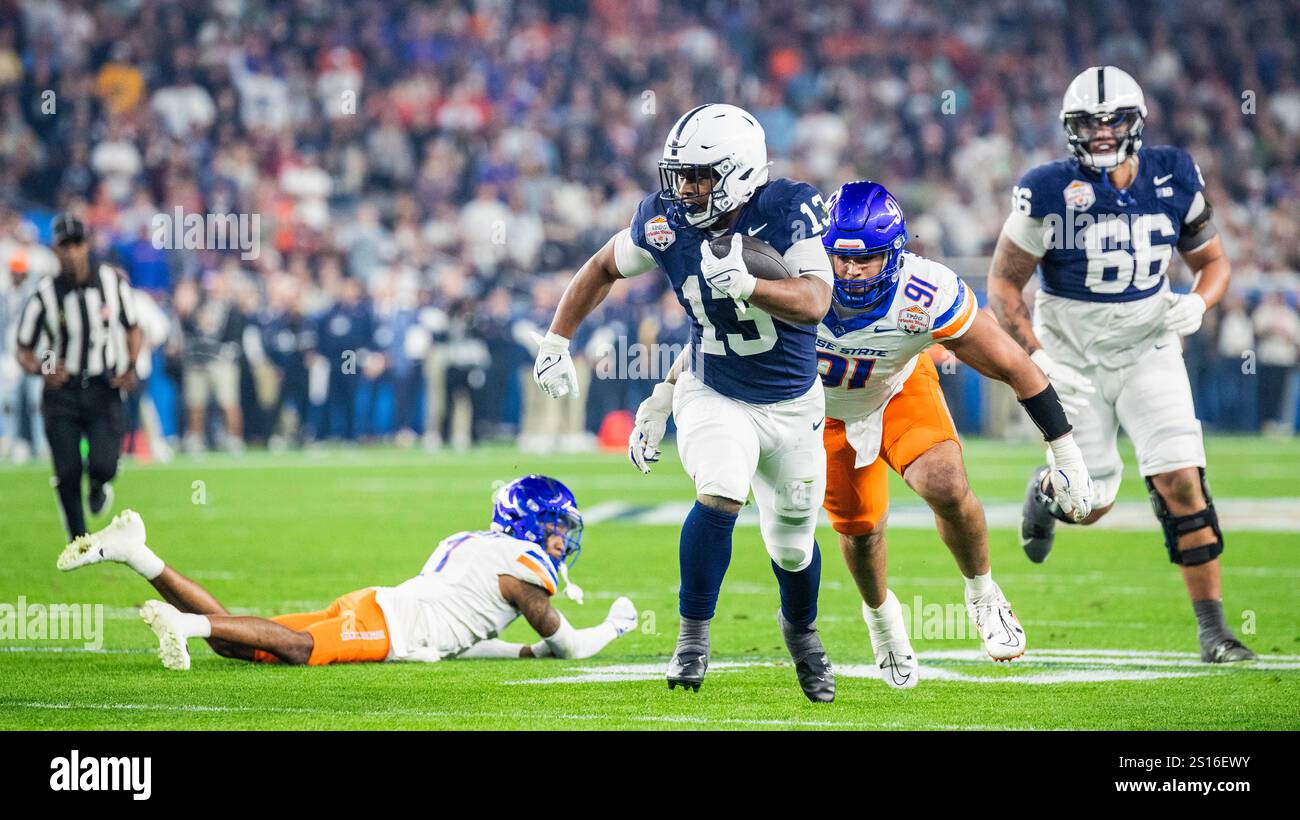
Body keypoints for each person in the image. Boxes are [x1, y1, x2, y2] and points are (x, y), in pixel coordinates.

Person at [536, 103, 837, 702]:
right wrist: (557, 339)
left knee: (794, 545)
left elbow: (815, 301)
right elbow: (601, 267)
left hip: (794, 401)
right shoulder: (664, 220)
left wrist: (751, 285)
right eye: (681, 174)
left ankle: (801, 635)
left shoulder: (785, 209)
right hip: (713, 386)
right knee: (721, 490)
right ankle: (692, 639)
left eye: (701, 175)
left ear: (743, 173)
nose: (686, 188)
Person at [987, 66, 1254, 663]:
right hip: (1072, 356)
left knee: (1183, 478)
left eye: (1111, 121)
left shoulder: (1175, 174)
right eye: (1087, 122)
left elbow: (1214, 263)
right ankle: (1047, 492)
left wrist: (1199, 303)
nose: (1102, 133)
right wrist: (1037, 356)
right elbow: (1004, 286)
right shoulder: (1048, 188)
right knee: (1091, 505)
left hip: (1148, 346)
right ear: (1069, 128)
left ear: (1135, 122)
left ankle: (1214, 630)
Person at [792, 180, 1092, 688]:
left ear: (895, 252)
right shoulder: (794, 275)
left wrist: (1067, 455)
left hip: (896, 391)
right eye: (840, 257)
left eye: (865, 259)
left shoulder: (924, 291)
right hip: (824, 413)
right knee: (860, 535)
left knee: (946, 484)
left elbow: (1012, 366)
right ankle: (884, 624)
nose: (850, 270)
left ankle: (983, 595)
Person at [56, 475, 638, 670]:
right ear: (533, 523)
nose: (563, 539)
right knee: (299, 650)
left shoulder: (475, 546)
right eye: (558, 526)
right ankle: (184, 627)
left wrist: (519, 656)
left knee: (245, 644)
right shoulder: (521, 569)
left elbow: (463, 635)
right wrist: (616, 625)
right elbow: (571, 649)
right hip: (391, 623)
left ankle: (137, 553)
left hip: (383, 607)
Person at [14, 214, 141, 540]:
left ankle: (99, 486)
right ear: (55, 250)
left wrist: (131, 366)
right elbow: (24, 346)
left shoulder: (112, 282)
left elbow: (133, 327)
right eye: (64, 246)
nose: (72, 252)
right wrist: (44, 368)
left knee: (104, 464)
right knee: (67, 472)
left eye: (77, 244)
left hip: (103, 386)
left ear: (87, 245)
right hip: (63, 393)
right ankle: (78, 539)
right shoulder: (45, 293)